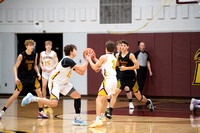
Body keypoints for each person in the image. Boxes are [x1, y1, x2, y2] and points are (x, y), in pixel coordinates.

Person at [21, 44, 88, 126]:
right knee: (54, 104)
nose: (76, 51)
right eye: (75, 49)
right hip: (55, 82)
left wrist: (87, 61)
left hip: (64, 83)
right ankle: (32, 98)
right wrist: (87, 60)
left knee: (77, 95)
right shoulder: (67, 60)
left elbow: (82, 73)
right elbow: (82, 69)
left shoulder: (70, 62)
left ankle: (77, 119)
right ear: (71, 51)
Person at [105, 40, 154, 119]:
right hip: (122, 79)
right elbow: (116, 65)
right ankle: (110, 111)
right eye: (122, 45)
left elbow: (137, 66)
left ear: (127, 47)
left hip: (131, 79)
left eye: (124, 45)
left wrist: (126, 68)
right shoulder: (118, 55)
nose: (122, 47)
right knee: (115, 94)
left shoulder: (131, 55)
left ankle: (148, 102)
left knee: (139, 97)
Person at [0, 39, 47, 119]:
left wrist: (38, 73)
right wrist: (16, 77)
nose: (32, 47)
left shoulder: (35, 54)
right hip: (23, 78)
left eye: (33, 45)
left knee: (40, 93)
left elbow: (35, 65)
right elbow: (15, 67)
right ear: (26, 46)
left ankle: (40, 112)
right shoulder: (21, 55)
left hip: (32, 76)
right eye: (30, 45)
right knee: (15, 95)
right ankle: (2, 111)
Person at [86, 41, 117, 128]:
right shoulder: (114, 58)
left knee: (98, 99)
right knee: (104, 98)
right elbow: (104, 64)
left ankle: (98, 119)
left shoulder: (103, 57)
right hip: (114, 80)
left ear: (106, 48)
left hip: (108, 81)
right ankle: (103, 117)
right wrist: (95, 59)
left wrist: (89, 60)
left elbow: (94, 67)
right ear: (113, 49)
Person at [107, 40, 134, 113]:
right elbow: (109, 63)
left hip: (123, 74)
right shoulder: (114, 54)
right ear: (116, 46)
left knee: (127, 88)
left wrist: (134, 70)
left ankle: (130, 102)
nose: (120, 47)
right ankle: (108, 104)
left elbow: (131, 64)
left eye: (121, 45)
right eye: (119, 45)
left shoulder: (126, 55)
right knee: (112, 89)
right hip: (114, 74)